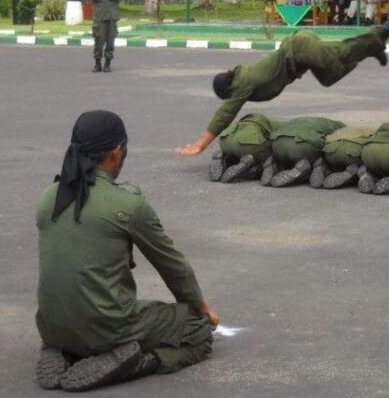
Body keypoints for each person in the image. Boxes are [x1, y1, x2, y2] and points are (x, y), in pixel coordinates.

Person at [36, 110, 219, 392]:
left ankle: (65, 348)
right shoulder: (127, 205)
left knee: (84, 307)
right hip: (106, 325)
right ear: (116, 152)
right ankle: (140, 362)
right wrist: (199, 308)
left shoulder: (49, 196)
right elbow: (172, 266)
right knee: (198, 331)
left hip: (50, 323)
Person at [175, 8, 389, 157]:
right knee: (330, 76)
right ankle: (372, 47)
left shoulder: (243, 83)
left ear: (229, 90)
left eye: (229, 96)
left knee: (338, 54)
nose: (232, 100)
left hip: (299, 48)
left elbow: (225, 113)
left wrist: (200, 144)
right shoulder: (243, 78)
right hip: (300, 55)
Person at [260, 117, 345, 187]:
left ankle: (276, 165)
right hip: (302, 147)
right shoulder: (337, 127)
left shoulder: (299, 120)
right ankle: (317, 167)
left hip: (277, 144)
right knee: (329, 148)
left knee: (285, 158)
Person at [209, 113, 284, 183]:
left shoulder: (256, 120)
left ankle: (225, 158)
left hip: (225, 140)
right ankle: (251, 167)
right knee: (273, 155)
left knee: (238, 150)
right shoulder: (282, 125)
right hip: (247, 143)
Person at [311, 126, 376, 189]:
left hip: (331, 151)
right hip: (352, 154)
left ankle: (325, 168)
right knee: (368, 159)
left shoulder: (340, 129)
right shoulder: (373, 132)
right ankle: (363, 173)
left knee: (334, 165)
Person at [87, 0, 124, 73]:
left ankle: (107, 64)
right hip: (100, 19)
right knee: (98, 42)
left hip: (111, 18)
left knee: (110, 42)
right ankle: (97, 64)